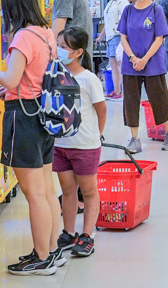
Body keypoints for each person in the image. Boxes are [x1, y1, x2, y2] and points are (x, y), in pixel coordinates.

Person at [0, 0, 64, 275]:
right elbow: (34, 76)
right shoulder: (44, 32)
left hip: (24, 117)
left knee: (34, 194)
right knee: (45, 189)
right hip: (43, 114)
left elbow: (11, 79)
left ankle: (41, 257)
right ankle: (53, 250)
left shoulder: (22, 38)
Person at [54, 27, 106, 258]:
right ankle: (69, 232)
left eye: (63, 47)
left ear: (78, 52)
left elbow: (101, 109)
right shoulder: (54, 75)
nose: (58, 50)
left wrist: (97, 135)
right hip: (60, 145)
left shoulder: (88, 79)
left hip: (85, 144)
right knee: (67, 190)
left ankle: (87, 235)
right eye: (58, 45)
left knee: (88, 190)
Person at [118, 0, 168, 153]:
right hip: (131, 64)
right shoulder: (128, 10)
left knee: (159, 99)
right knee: (130, 101)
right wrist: (133, 58)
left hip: (153, 64)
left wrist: (144, 59)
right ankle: (134, 138)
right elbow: (123, 38)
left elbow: (159, 39)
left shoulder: (156, 10)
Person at [97, 0, 129, 100]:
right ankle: (116, 91)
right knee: (113, 65)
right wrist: (100, 37)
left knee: (120, 65)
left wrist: (122, 39)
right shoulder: (110, 3)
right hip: (110, 37)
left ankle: (124, 92)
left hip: (118, 36)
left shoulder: (123, 3)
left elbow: (123, 22)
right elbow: (108, 22)